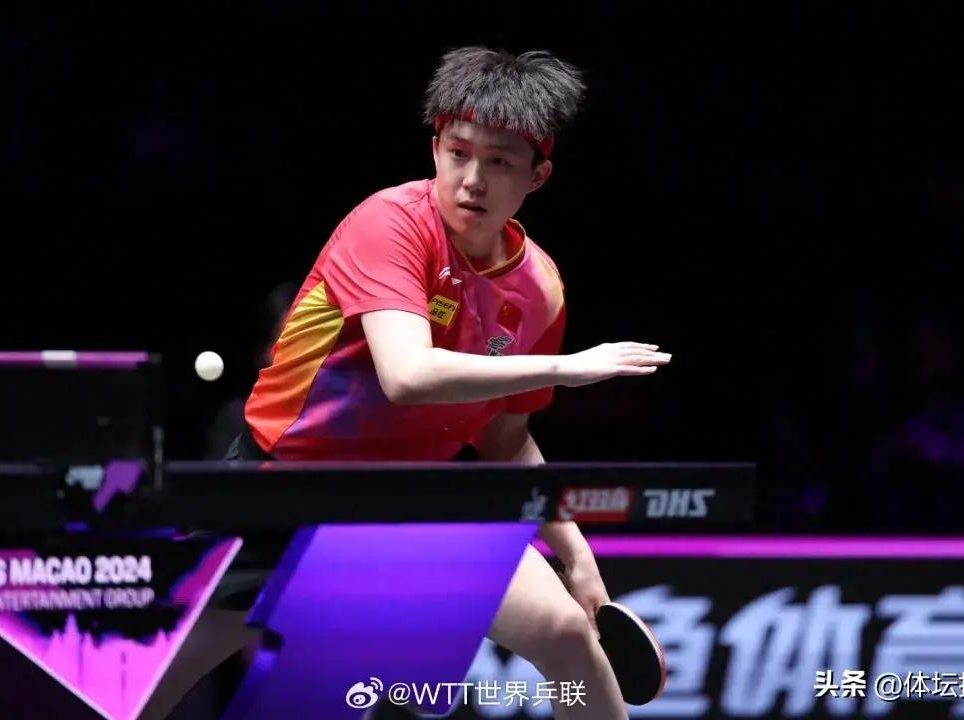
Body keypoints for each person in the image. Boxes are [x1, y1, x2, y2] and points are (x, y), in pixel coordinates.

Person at [149, 47, 672, 720]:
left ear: (538, 175)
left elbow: (506, 440)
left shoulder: (538, 289)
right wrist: (568, 368)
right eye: (458, 153)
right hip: (283, 487)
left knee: (568, 635)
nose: (472, 180)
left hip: (418, 495)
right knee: (151, 683)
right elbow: (408, 375)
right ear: (435, 149)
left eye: (499, 162)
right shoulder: (390, 223)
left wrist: (577, 556)